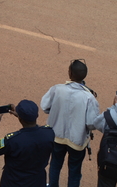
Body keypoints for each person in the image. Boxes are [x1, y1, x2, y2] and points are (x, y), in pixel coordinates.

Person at [40, 59, 99, 187]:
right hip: (77, 142)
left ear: (70, 73)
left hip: (56, 137)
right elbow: (91, 123)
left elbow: (45, 107)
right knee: (75, 171)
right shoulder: (89, 97)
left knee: (55, 165)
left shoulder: (57, 89)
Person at [0, 100, 55, 187]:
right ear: (37, 115)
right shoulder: (49, 133)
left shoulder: (13, 140)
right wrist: (23, 117)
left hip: (13, 182)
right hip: (37, 182)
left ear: (20, 118)